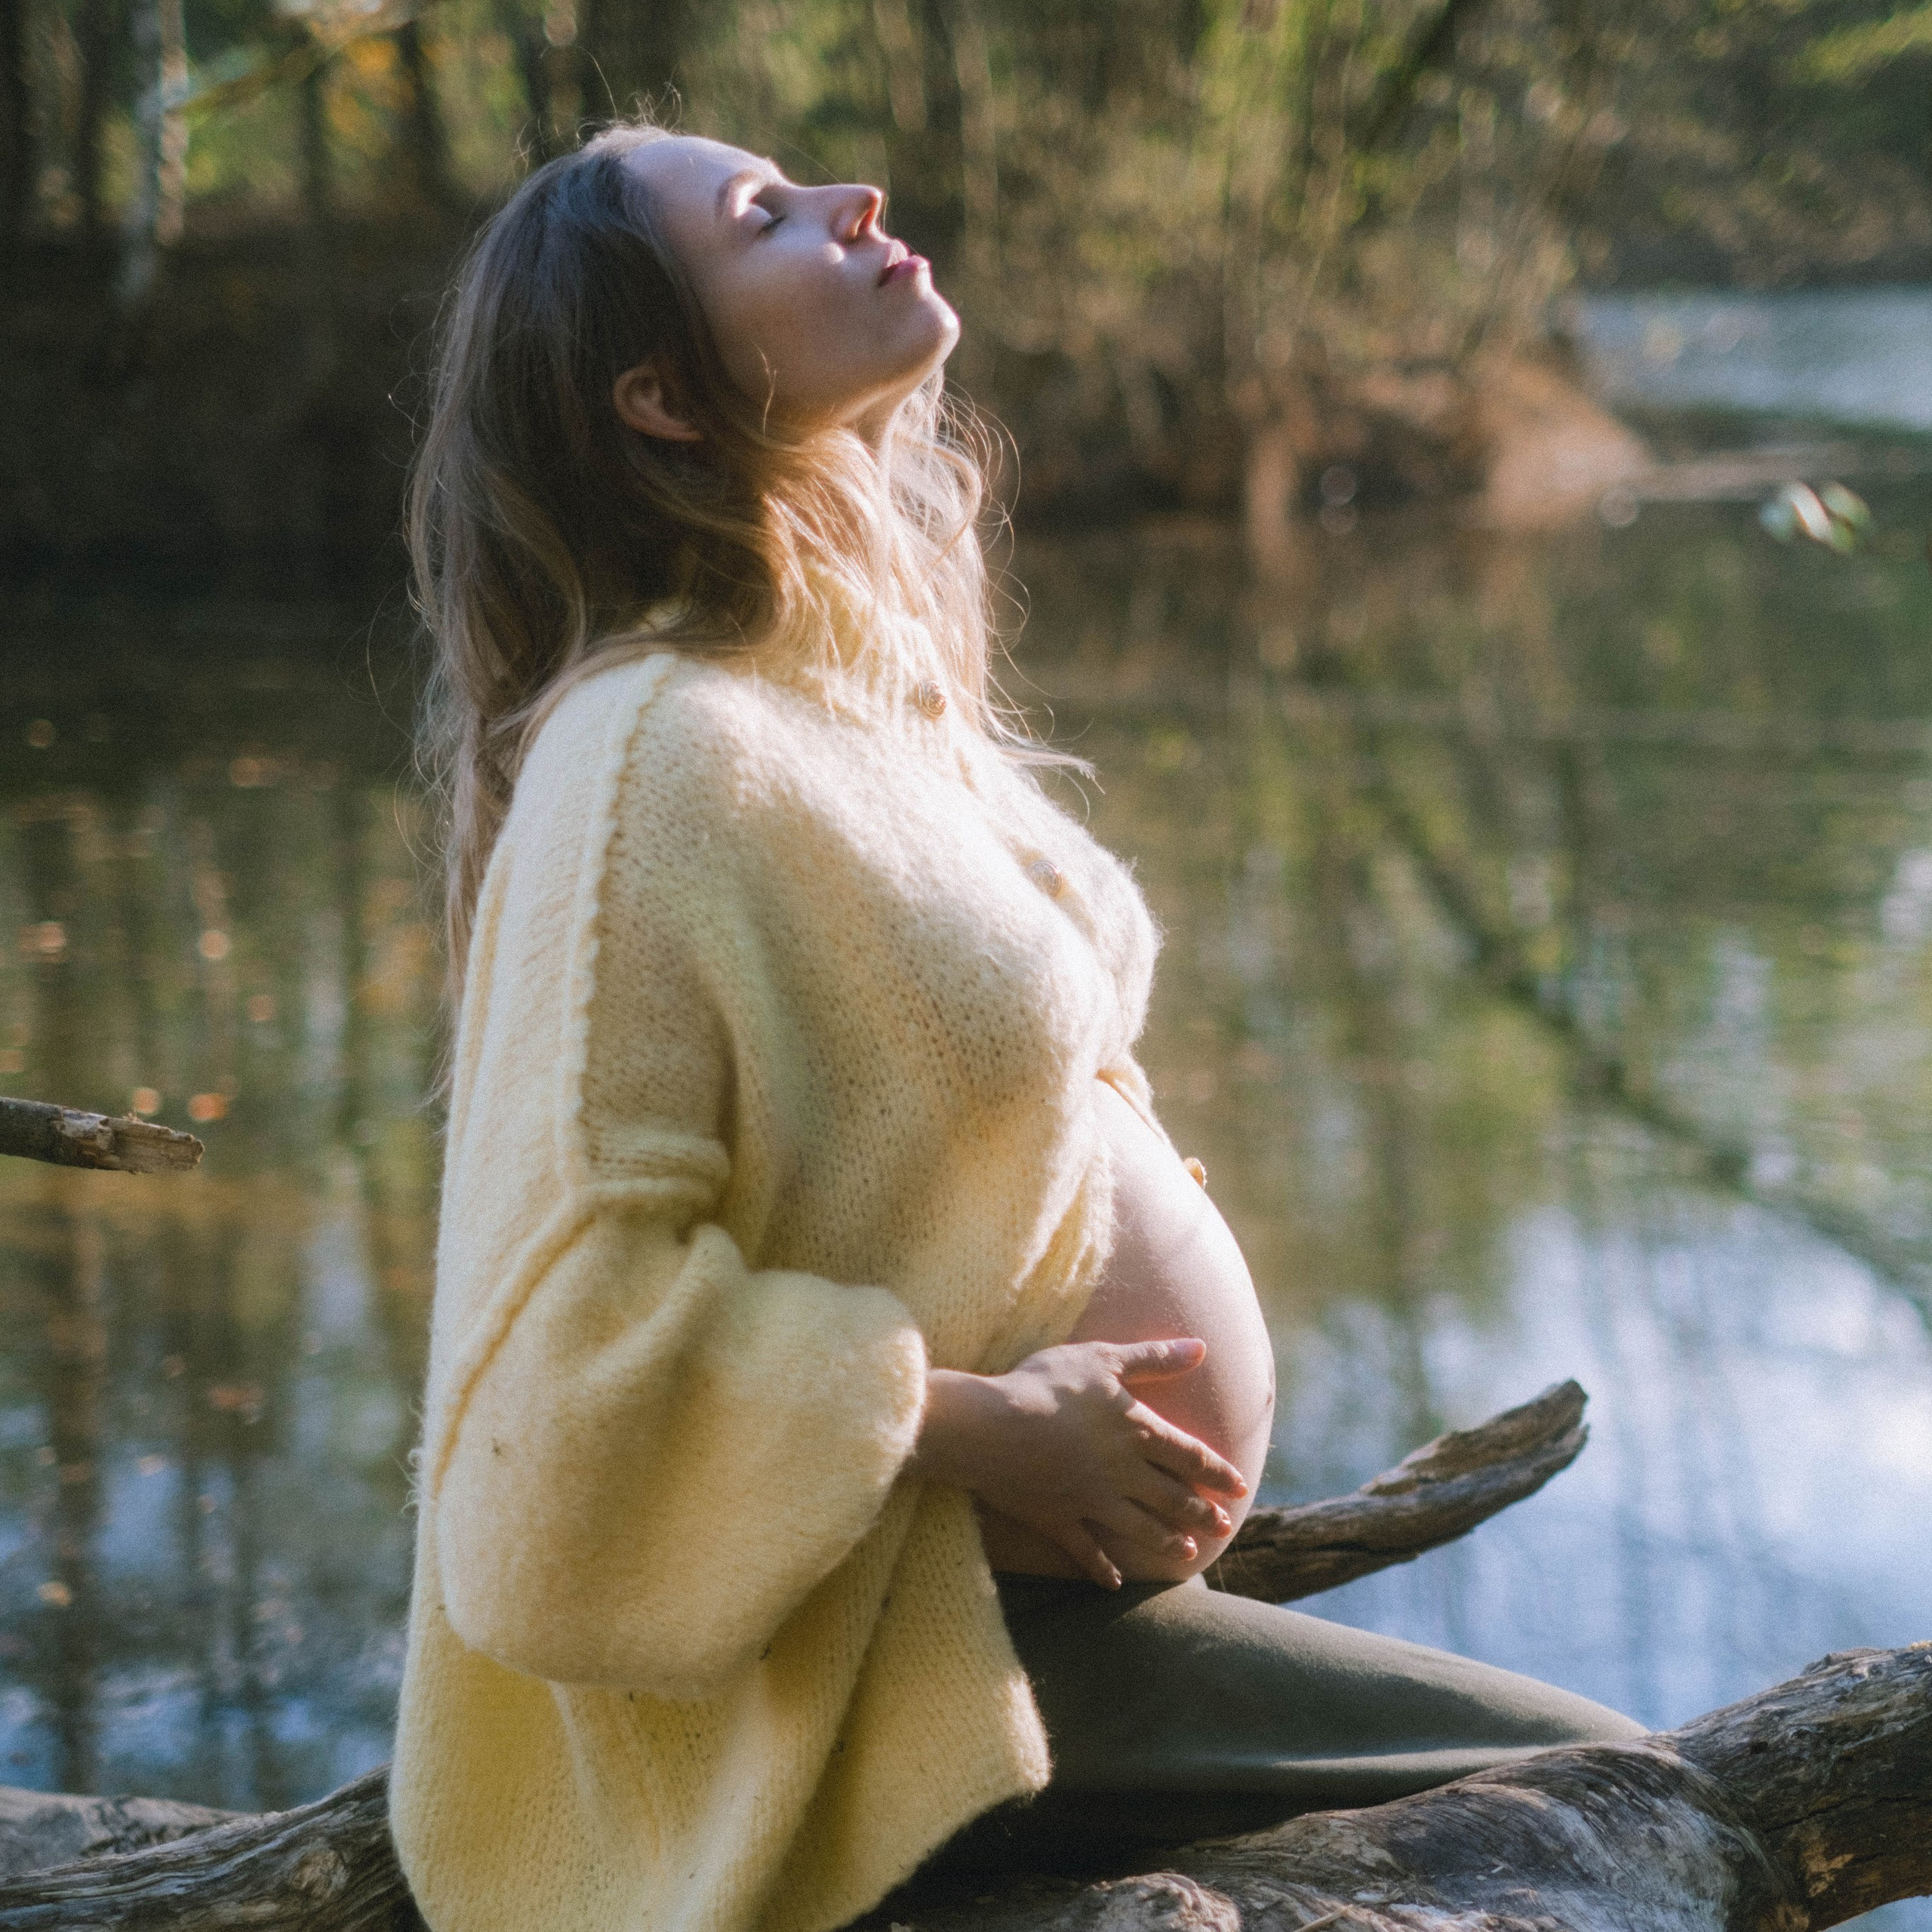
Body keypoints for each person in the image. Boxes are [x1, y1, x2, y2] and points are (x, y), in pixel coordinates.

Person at [389, 121, 1644, 1932]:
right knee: (1628, 1812)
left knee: (1629, 1811)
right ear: (661, 395)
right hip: (905, 1670)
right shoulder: (645, 753)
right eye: (764, 218)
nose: (854, 202)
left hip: (1033, 1609)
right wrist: (982, 1424)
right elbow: (554, 1393)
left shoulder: (816, 700)